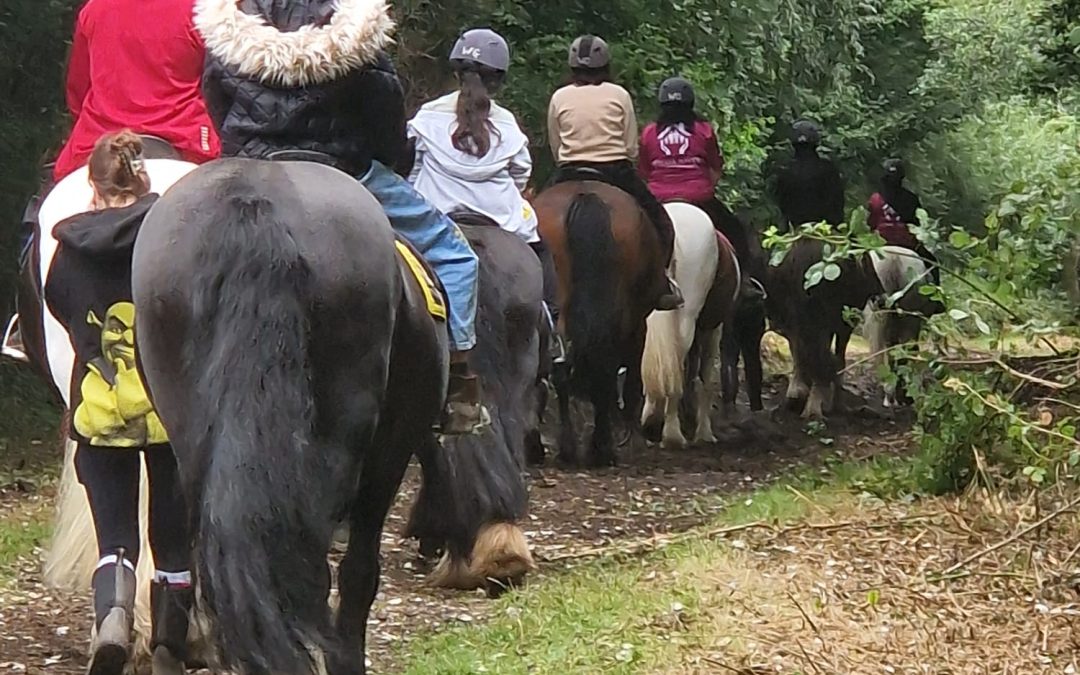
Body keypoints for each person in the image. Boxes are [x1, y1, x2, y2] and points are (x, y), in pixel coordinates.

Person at [196, 0, 487, 434]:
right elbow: (387, 121)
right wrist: (390, 159)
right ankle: (458, 386)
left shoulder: (229, 29)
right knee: (455, 255)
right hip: (343, 166)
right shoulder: (358, 32)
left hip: (247, 166)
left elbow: (217, 104)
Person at [44, 132, 191, 675]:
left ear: (94, 187)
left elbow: (60, 311)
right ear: (144, 181)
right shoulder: (172, 241)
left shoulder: (67, 253)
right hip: (166, 416)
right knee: (173, 542)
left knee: (116, 535)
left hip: (99, 411)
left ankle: (113, 615)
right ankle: (171, 647)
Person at [406, 29, 559, 335]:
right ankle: (550, 326)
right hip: (497, 218)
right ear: (498, 79)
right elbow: (520, 173)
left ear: (456, 72)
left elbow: (413, 166)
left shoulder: (428, 116)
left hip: (436, 217)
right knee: (542, 254)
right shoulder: (506, 124)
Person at [546, 35, 683, 311]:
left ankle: (544, 294)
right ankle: (662, 284)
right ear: (606, 66)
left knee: (527, 224)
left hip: (569, 170)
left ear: (572, 67)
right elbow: (631, 147)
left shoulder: (559, 97)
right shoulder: (619, 94)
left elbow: (555, 143)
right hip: (615, 170)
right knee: (661, 223)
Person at [53, 0, 220, 181]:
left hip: (100, 137)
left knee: (50, 198)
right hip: (186, 141)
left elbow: (78, 89)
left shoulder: (95, 8)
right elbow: (220, 87)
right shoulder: (203, 9)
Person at [637, 76, 750, 265]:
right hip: (699, 198)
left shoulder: (649, 132)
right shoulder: (704, 130)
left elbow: (644, 171)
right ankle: (747, 280)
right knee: (736, 232)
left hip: (658, 199)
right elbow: (714, 170)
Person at [868, 158, 941, 284]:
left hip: (880, 243)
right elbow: (917, 225)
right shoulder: (911, 199)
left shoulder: (875, 199)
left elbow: (871, 223)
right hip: (907, 244)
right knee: (933, 265)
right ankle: (936, 298)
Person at [772, 119, 846, 230]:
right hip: (827, 231)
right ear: (816, 142)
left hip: (796, 232)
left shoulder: (785, 172)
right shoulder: (828, 169)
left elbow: (783, 205)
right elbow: (838, 203)